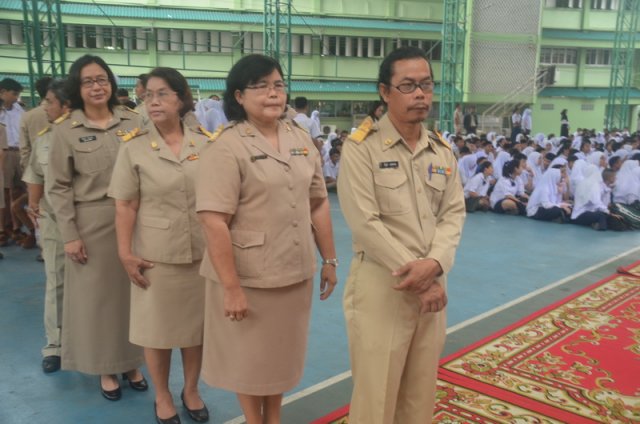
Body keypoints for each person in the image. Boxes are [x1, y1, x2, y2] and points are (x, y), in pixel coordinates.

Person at [196, 54, 337, 424]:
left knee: (280, 355)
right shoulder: (226, 146)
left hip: (293, 268)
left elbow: (319, 202)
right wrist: (231, 287)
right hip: (249, 275)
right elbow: (213, 220)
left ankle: (273, 416)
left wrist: (330, 259)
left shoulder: (300, 138)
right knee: (251, 359)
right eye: (261, 86)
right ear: (239, 96)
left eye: (278, 84)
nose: (272, 93)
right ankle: (254, 420)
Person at [337, 46, 465, 424]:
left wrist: (436, 264)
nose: (420, 94)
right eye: (408, 86)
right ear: (384, 92)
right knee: (377, 396)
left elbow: (454, 213)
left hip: (433, 285)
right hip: (383, 285)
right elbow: (365, 223)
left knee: (420, 392)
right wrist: (420, 277)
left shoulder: (441, 151)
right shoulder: (362, 149)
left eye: (426, 84)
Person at [110, 67, 210, 424]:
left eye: (163, 93)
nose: (153, 101)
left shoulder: (206, 142)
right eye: (148, 94)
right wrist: (125, 252)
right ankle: (164, 395)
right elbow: (125, 204)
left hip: (201, 253)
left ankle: (192, 388)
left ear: (181, 99)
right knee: (158, 332)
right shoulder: (134, 146)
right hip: (155, 254)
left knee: (196, 331)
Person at [47, 54, 145, 401]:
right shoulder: (64, 130)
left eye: (102, 79)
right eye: (88, 81)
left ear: (111, 83)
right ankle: (106, 367)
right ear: (78, 87)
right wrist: (70, 235)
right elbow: (57, 187)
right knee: (100, 303)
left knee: (134, 298)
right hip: (91, 225)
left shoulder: (134, 121)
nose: (97, 86)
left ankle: (133, 362)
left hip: (135, 221)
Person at [22, 79, 69, 373]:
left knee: (95, 288)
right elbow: (36, 175)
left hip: (91, 226)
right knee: (57, 283)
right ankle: (55, 345)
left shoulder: (87, 136)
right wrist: (33, 206)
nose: (45, 107)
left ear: (66, 105)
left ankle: (93, 342)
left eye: (50, 102)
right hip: (54, 224)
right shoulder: (45, 138)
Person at [0, 77, 25, 246]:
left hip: (19, 152)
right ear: (2, 92)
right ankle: (3, 229)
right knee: (4, 193)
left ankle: (17, 227)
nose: (16, 97)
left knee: (18, 191)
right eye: (14, 94)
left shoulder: (19, 110)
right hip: (4, 152)